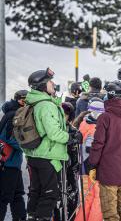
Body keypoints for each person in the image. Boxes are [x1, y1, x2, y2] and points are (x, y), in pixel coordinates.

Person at [24, 68, 82, 221]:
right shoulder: (46, 105)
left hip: (35, 154)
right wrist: (70, 137)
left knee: (37, 191)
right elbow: (53, 133)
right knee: (50, 193)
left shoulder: (34, 102)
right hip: (47, 156)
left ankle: (32, 216)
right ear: (43, 85)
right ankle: (41, 218)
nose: (53, 84)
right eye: (50, 81)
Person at [87, 81, 121, 221]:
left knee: (110, 209)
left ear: (111, 95)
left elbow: (98, 144)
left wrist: (92, 164)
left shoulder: (105, 117)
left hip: (108, 170)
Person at [75, 99, 105, 221]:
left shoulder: (83, 124)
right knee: (99, 198)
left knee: (87, 198)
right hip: (95, 167)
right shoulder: (96, 128)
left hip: (83, 167)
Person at [0, 90, 28, 221]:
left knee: (17, 195)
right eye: (24, 100)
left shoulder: (17, 113)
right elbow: (7, 137)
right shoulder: (13, 115)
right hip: (8, 162)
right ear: (18, 100)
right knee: (4, 196)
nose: (26, 103)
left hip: (13, 162)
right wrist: (26, 146)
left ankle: (20, 218)